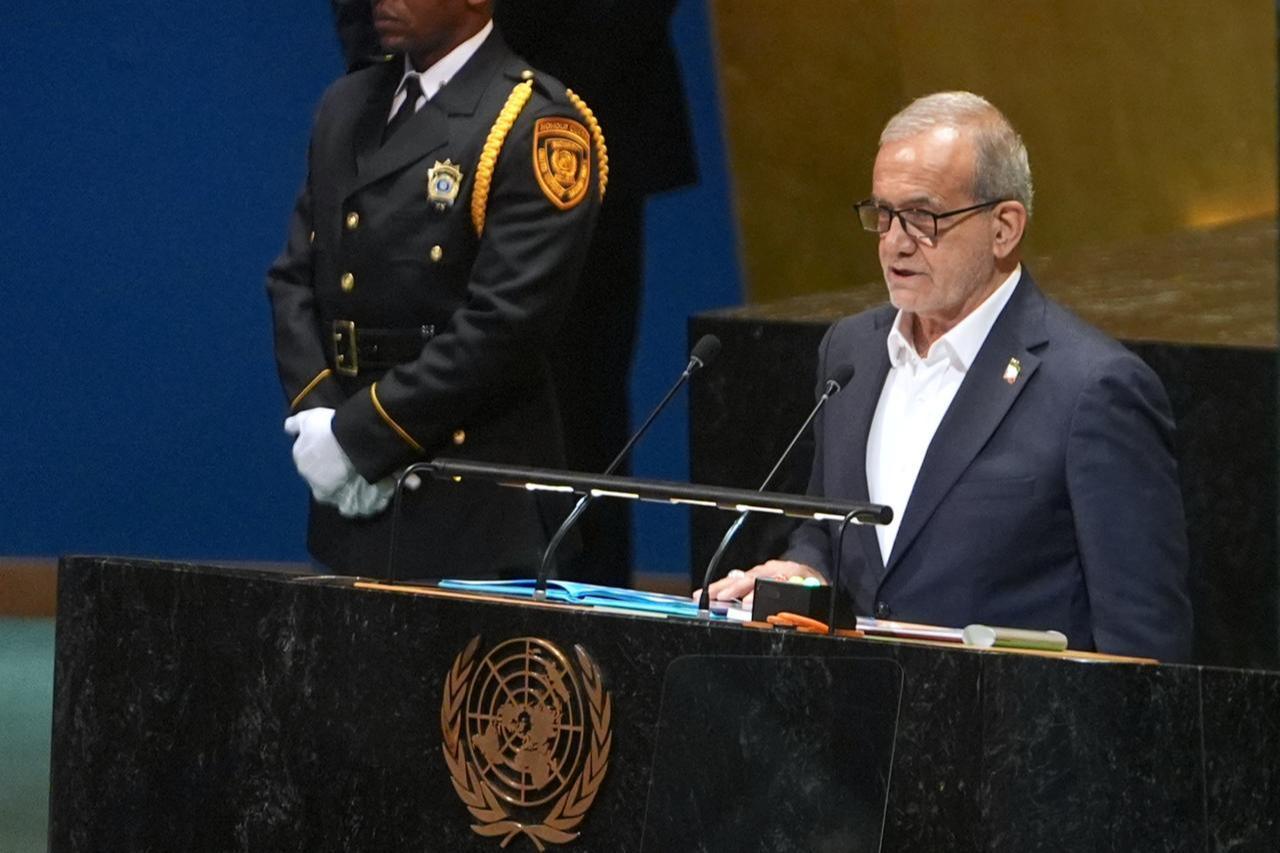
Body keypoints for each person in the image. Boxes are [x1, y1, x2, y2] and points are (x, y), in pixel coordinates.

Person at [703, 92, 1192, 661]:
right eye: (883, 215)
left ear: (1004, 228)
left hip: (1012, 736)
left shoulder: (1092, 388)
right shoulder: (851, 352)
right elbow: (828, 525)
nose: (894, 242)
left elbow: (1143, 642)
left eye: (923, 217)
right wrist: (803, 567)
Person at [330, 0, 699, 588]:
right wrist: (392, 71)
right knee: (405, 362)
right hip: (418, 107)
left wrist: (529, 100)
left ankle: (581, 638)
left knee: (573, 397)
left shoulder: (556, 121)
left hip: (580, 96)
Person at [267, 0, 604, 578]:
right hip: (349, 500)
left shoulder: (538, 125)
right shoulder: (347, 105)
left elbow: (503, 326)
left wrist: (360, 437)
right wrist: (320, 421)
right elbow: (295, 278)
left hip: (474, 506)